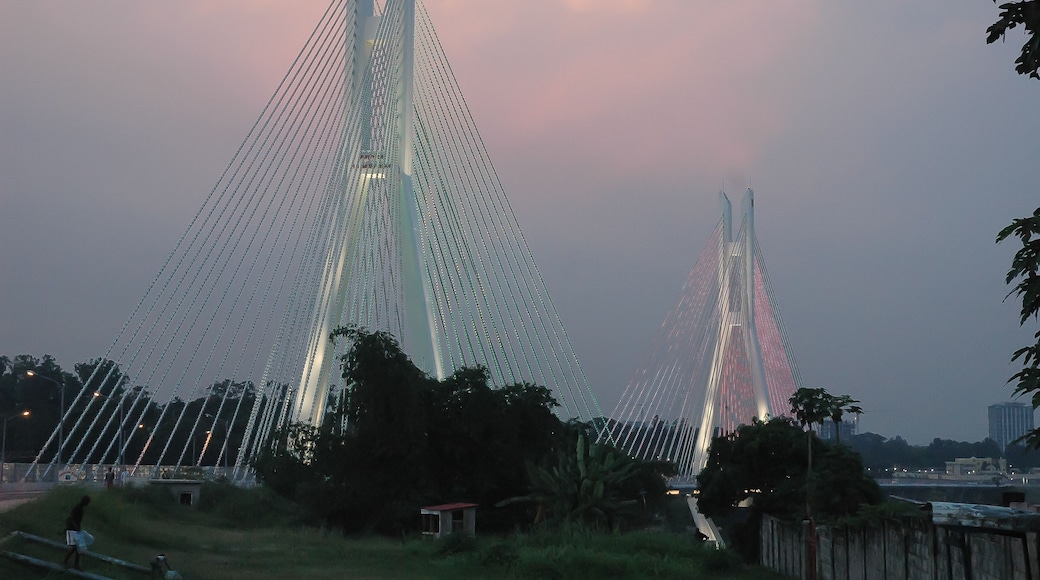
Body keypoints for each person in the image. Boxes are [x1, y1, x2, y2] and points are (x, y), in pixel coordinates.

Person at [63, 495, 93, 569]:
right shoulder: (78, 508)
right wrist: (76, 527)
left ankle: (66, 561)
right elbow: (71, 518)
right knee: (77, 547)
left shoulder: (80, 508)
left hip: (75, 529)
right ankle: (75, 565)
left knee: (75, 547)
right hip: (73, 529)